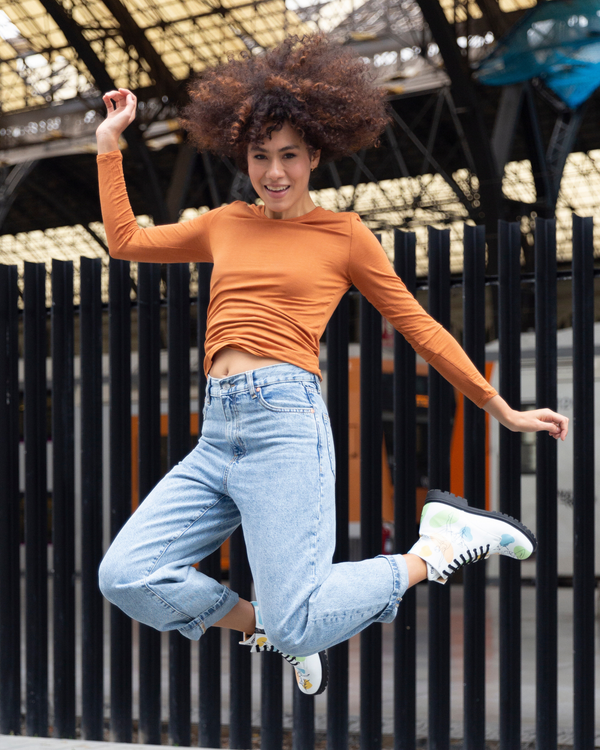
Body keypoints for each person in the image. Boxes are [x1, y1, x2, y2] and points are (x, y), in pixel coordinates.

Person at [96, 35, 569, 696]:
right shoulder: (225, 222)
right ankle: (271, 629)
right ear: (245, 158)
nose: (275, 173)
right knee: (126, 574)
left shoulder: (343, 235)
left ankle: (435, 550)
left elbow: (418, 325)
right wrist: (109, 144)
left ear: (315, 155)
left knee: (301, 618)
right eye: (260, 156)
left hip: (285, 423)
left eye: (289, 155)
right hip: (218, 431)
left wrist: (500, 407)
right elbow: (126, 241)